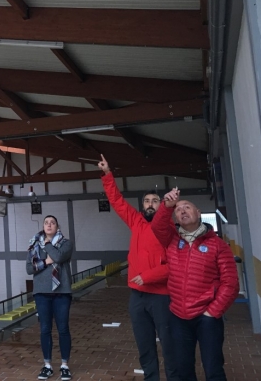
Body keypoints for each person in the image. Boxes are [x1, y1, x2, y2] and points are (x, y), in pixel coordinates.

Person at [98, 155, 177, 381]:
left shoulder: (168, 228)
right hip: (137, 297)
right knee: (144, 345)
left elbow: (175, 265)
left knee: (169, 345)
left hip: (162, 296)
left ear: (162, 205)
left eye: (155, 200)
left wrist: (149, 276)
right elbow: (117, 201)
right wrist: (107, 174)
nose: (150, 204)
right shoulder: (136, 221)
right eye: (146, 201)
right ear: (142, 206)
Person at [152, 188, 239, 381]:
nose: (182, 210)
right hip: (178, 317)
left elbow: (230, 283)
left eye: (187, 207)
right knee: (183, 370)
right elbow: (157, 227)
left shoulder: (218, 245)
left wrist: (212, 312)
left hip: (206, 317)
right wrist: (167, 206)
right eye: (178, 209)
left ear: (198, 212)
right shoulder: (172, 240)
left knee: (213, 370)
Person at [27, 215, 74, 380]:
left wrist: (47, 244)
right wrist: (45, 262)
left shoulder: (66, 243)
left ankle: (64, 365)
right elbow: (29, 268)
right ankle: (47, 365)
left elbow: (60, 257)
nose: (49, 225)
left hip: (62, 292)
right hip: (41, 293)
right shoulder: (34, 244)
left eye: (52, 223)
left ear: (57, 226)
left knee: (63, 329)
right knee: (45, 329)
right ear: (43, 226)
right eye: (46, 222)